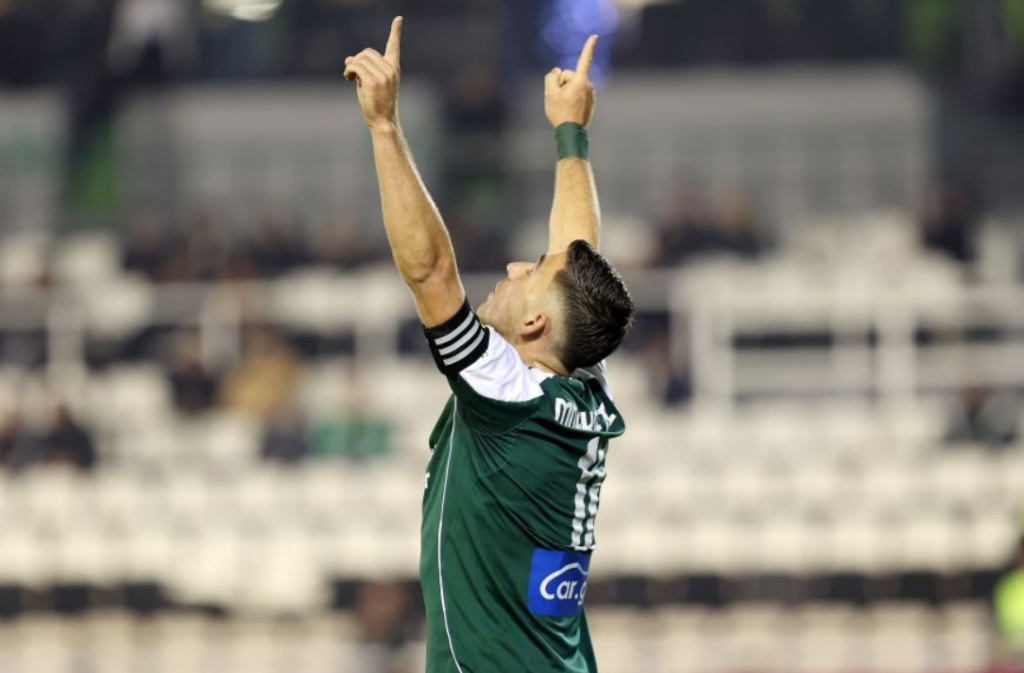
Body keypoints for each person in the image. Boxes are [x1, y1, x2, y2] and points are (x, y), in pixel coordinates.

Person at [344, 19, 635, 673]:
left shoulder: (511, 395)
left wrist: (384, 126)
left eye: (529, 274)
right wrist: (570, 132)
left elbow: (431, 274)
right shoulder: (582, 382)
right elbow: (576, 256)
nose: (513, 267)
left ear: (534, 326)